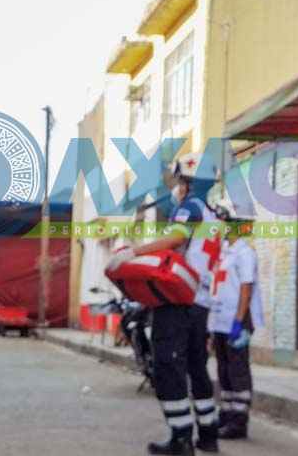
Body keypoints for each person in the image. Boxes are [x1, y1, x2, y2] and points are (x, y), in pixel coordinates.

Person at [108, 151, 221, 455]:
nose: (178, 187)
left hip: (180, 300)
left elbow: (175, 239)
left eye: (181, 180)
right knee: (197, 368)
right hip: (201, 304)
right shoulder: (212, 213)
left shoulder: (191, 207)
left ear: (192, 182)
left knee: (167, 368)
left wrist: (135, 252)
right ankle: (208, 433)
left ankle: (181, 437)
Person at [208, 201, 263, 440]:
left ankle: (239, 420)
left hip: (237, 320)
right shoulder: (223, 252)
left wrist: (239, 321)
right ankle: (227, 413)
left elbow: (246, 288)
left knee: (238, 369)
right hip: (220, 320)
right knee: (224, 369)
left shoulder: (245, 253)